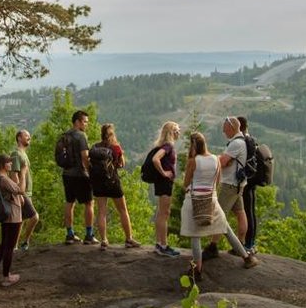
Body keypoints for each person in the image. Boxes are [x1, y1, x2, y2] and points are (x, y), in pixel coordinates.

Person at [178, 132, 247, 283]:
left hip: (194, 200)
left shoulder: (193, 161)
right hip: (212, 199)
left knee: (195, 236)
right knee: (226, 230)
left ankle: (197, 270)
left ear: (193, 145)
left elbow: (185, 183)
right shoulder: (216, 159)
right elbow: (218, 182)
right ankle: (246, 257)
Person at [206, 116, 259, 267]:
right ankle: (241, 244)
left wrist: (212, 159)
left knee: (219, 215)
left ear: (232, 127)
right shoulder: (243, 141)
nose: (223, 131)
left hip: (230, 185)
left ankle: (213, 246)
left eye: (224, 128)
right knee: (240, 213)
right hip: (239, 184)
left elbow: (222, 162)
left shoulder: (236, 143)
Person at [88, 123, 141, 249]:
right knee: (123, 210)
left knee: (101, 212)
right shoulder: (115, 147)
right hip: (113, 182)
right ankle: (129, 239)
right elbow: (122, 164)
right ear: (111, 134)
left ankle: (104, 240)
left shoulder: (95, 147)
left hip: (98, 183)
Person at [0, 154, 26, 286]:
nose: (11, 164)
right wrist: (23, 173)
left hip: (6, 216)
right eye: (9, 163)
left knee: (3, 244)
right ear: (3, 165)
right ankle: (6, 277)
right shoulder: (4, 179)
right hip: (13, 216)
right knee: (9, 247)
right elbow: (21, 190)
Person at [146, 120, 182, 257]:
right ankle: (163, 245)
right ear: (171, 132)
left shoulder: (165, 146)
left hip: (163, 182)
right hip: (165, 182)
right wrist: (164, 173)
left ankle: (159, 243)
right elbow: (156, 159)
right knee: (164, 213)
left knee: (162, 213)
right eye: (177, 130)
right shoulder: (168, 146)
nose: (179, 132)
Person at [60, 109, 95, 244]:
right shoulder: (81, 136)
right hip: (80, 174)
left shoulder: (64, 135)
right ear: (77, 122)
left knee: (69, 203)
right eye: (85, 122)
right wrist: (90, 172)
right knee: (89, 203)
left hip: (66, 174)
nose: (86, 124)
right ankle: (89, 235)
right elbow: (85, 156)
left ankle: (70, 234)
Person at [10, 128, 39, 250]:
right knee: (34, 217)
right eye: (26, 135)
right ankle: (25, 242)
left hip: (27, 191)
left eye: (29, 135)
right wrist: (19, 194)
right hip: (22, 192)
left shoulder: (23, 154)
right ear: (19, 138)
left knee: (20, 220)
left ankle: (14, 247)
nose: (29, 137)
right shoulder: (16, 154)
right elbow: (13, 174)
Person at [237, 115, 261, 259]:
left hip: (246, 180)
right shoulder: (251, 138)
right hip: (253, 178)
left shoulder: (243, 141)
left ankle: (247, 244)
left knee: (246, 211)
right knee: (250, 211)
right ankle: (251, 243)